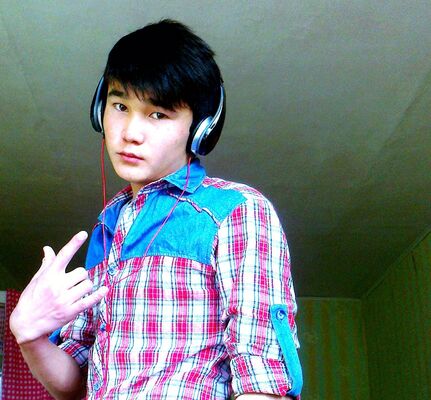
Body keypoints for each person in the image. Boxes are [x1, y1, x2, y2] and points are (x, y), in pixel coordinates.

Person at [10, 19, 302, 400]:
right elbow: (78, 385)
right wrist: (29, 336)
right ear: (100, 109)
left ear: (201, 127)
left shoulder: (238, 211)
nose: (130, 133)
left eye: (158, 114)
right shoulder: (109, 226)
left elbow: (263, 383)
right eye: (120, 106)